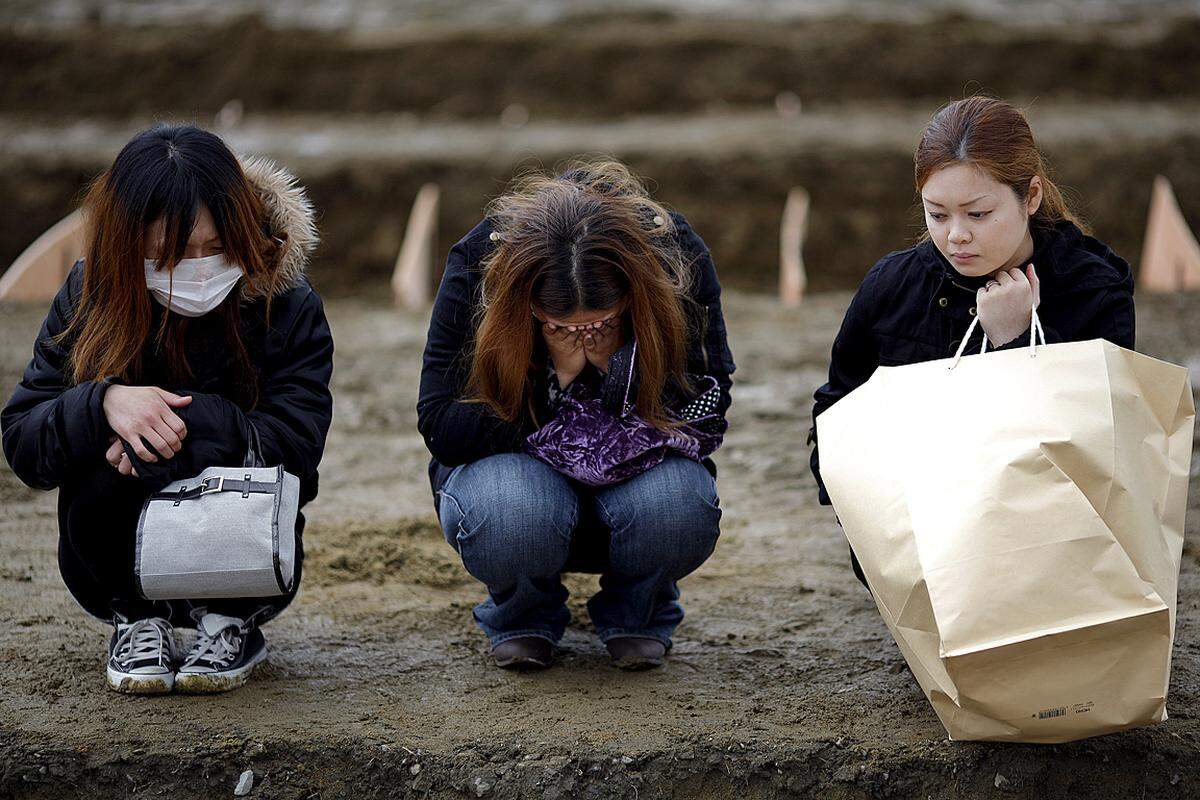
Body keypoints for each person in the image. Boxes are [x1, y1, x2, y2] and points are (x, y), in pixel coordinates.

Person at [1, 125, 333, 694]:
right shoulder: (89, 296)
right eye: (168, 256)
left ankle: (231, 620)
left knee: (196, 444)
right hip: (107, 551)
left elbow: (300, 451)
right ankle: (134, 617)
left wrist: (195, 424)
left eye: (215, 249)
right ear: (129, 247)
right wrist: (103, 403)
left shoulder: (289, 305)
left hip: (246, 550)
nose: (197, 271)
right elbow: (24, 442)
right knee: (100, 444)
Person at [417, 159, 736, 671]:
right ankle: (523, 613)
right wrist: (555, 384)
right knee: (512, 514)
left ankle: (640, 611)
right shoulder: (481, 260)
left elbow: (709, 398)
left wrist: (620, 372)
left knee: (678, 508)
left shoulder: (673, 255)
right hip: (515, 474)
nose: (582, 337)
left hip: (642, 471)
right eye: (560, 327)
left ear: (633, 297)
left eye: (601, 324)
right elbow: (441, 426)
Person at [808, 96, 1135, 588]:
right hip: (915, 529)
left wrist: (1015, 340)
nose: (956, 235)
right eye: (937, 215)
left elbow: (1106, 442)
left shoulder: (1091, 288)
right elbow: (836, 407)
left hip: (1054, 539)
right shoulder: (893, 285)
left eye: (978, 214)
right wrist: (861, 507)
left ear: (1031, 197)